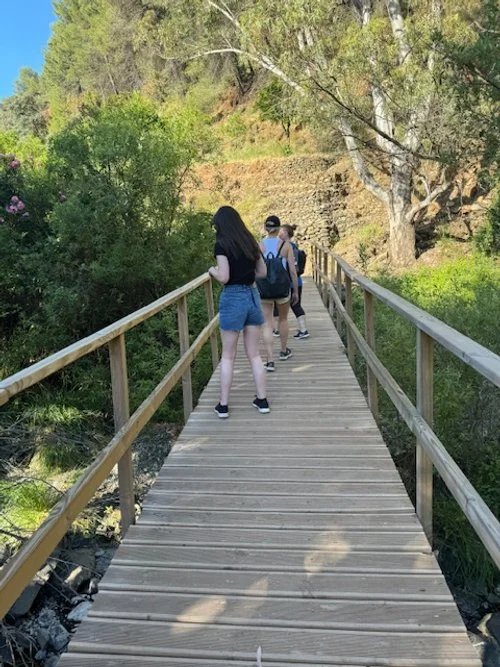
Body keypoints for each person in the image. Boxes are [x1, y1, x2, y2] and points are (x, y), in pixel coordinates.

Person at [208, 205, 270, 418]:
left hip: (233, 297)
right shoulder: (250, 241)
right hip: (252, 296)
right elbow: (262, 271)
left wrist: (212, 271)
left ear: (220, 225)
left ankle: (223, 405)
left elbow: (224, 277)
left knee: (228, 356)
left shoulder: (221, 245)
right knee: (254, 354)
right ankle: (262, 400)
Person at [259, 215, 298, 372]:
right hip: (282, 289)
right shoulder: (285, 245)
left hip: (265, 290)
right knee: (282, 319)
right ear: (279, 228)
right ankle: (283, 350)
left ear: (265, 228)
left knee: (268, 323)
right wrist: (295, 290)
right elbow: (293, 271)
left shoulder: (259, 245)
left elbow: (256, 269)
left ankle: (270, 359)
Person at [272, 224, 309, 339]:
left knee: (277, 305)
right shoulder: (294, 246)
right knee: (296, 305)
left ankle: (278, 329)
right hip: (296, 281)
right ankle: (303, 329)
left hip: (285, 282)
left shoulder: (284, 247)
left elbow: (291, 268)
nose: (279, 233)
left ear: (286, 233)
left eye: (281, 231)